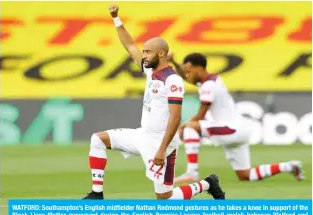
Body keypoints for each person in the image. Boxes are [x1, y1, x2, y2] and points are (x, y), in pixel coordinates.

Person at [82, 5, 225, 200]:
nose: (144, 55)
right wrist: (116, 18)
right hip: (143, 135)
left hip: (161, 143)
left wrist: (161, 149)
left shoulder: (172, 80)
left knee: (164, 199)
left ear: (161, 53)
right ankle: (96, 194)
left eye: (148, 52)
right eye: (144, 51)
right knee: (97, 139)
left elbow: (175, 117)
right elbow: (130, 45)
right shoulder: (150, 70)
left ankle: (207, 183)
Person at [168, 52, 304, 183]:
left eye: (189, 71)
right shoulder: (213, 79)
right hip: (239, 130)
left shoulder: (208, 87)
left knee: (190, 127)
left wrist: (184, 126)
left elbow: (201, 116)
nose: (187, 75)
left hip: (230, 129)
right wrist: (174, 62)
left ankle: (192, 172)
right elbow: (186, 77)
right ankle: (289, 166)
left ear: (198, 68)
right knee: (246, 175)